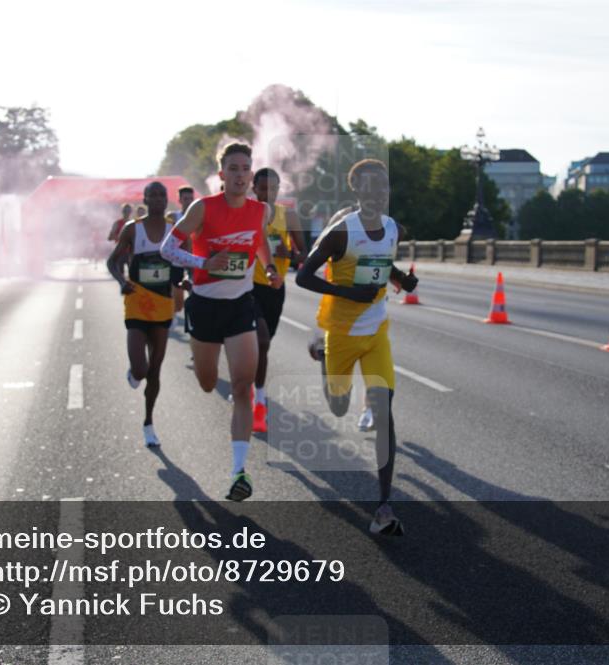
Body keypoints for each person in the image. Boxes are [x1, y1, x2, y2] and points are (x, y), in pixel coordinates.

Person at [295, 158, 417, 536]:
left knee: (383, 412)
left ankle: (383, 506)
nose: (378, 194)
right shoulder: (340, 232)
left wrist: (402, 281)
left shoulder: (393, 227)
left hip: (376, 331)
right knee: (339, 404)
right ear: (357, 191)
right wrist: (346, 291)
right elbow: (302, 276)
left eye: (383, 187)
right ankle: (325, 358)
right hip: (342, 334)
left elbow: (383, 263)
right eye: (369, 187)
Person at [160, 142, 282, 501]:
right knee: (207, 381)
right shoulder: (203, 208)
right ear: (221, 174)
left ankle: (239, 472)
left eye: (246, 168)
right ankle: (210, 380)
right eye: (233, 168)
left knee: (242, 387)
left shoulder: (261, 211)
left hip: (240, 304)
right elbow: (169, 248)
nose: (241, 175)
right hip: (205, 306)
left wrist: (270, 267)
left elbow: (258, 243)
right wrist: (203, 265)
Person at [107, 182, 182, 448]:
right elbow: (112, 261)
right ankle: (134, 371)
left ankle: (149, 423)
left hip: (163, 304)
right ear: (146, 199)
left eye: (163, 195)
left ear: (167, 199)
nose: (159, 199)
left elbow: (182, 262)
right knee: (141, 369)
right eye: (153, 195)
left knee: (155, 370)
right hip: (137, 303)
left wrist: (184, 282)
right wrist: (121, 281)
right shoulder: (132, 229)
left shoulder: (175, 230)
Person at [250, 167, 305, 433]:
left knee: (264, 345)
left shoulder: (288, 216)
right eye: (262, 188)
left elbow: (304, 256)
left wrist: (289, 254)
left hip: (275, 288)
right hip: (247, 288)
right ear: (254, 188)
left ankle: (249, 383)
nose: (267, 193)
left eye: (272, 188)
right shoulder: (245, 213)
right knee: (259, 341)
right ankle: (259, 397)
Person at [165, 186, 196, 328]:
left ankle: (194, 323)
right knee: (178, 302)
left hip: (194, 262)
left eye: (191, 198)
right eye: (185, 199)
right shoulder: (173, 217)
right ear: (179, 200)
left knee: (194, 296)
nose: (188, 201)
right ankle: (174, 314)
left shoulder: (200, 216)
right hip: (176, 262)